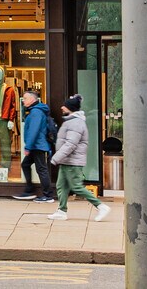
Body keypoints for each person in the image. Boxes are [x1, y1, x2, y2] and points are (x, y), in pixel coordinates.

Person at [49, 94, 108, 222]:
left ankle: (101, 206)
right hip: (67, 161)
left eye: (64, 106)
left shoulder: (75, 123)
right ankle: (61, 211)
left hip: (73, 161)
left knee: (76, 187)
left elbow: (70, 144)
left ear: (70, 108)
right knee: (61, 185)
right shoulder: (71, 121)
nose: (61, 107)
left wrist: (56, 158)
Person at [15, 89, 54, 203]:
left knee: (41, 169)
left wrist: (28, 147)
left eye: (25, 98)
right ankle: (29, 190)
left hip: (38, 146)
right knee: (26, 164)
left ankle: (48, 195)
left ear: (32, 99)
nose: (23, 101)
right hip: (37, 145)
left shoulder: (36, 112)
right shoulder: (35, 111)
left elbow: (34, 131)